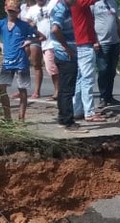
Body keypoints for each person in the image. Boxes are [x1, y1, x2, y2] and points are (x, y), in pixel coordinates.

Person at [0, 0, 43, 121]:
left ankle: (21, 118)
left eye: (14, 11)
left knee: (22, 89)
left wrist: (30, 41)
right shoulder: (1, 24)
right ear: (5, 9)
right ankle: (7, 117)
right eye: (9, 11)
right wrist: (1, 45)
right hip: (7, 61)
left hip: (21, 61)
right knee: (1, 88)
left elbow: (41, 36)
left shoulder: (24, 25)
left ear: (18, 11)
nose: (11, 14)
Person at [49, 0, 83, 131]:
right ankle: (68, 120)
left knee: (64, 88)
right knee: (68, 89)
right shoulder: (61, 9)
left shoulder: (66, 8)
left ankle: (63, 117)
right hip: (65, 55)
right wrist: (67, 47)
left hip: (64, 54)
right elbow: (55, 29)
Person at [91, 0, 120, 108]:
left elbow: (117, 21)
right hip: (102, 42)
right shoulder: (94, 3)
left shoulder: (113, 3)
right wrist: (94, 40)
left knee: (111, 71)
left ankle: (109, 96)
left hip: (114, 41)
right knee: (103, 70)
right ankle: (103, 97)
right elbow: (89, 22)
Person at [31, 0, 59, 99]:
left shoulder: (51, 3)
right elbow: (27, 23)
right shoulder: (32, 10)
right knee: (50, 67)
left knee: (54, 67)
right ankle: (58, 90)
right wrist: (33, 28)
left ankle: (58, 91)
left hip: (55, 41)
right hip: (44, 43)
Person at [18, 0, 44, 97]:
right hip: (24, 37)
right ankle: (22, 89)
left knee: (36, 64)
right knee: (22, 64)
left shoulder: (39, 7)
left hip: (34, 36)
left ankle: (37, 91)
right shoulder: (22, 7)